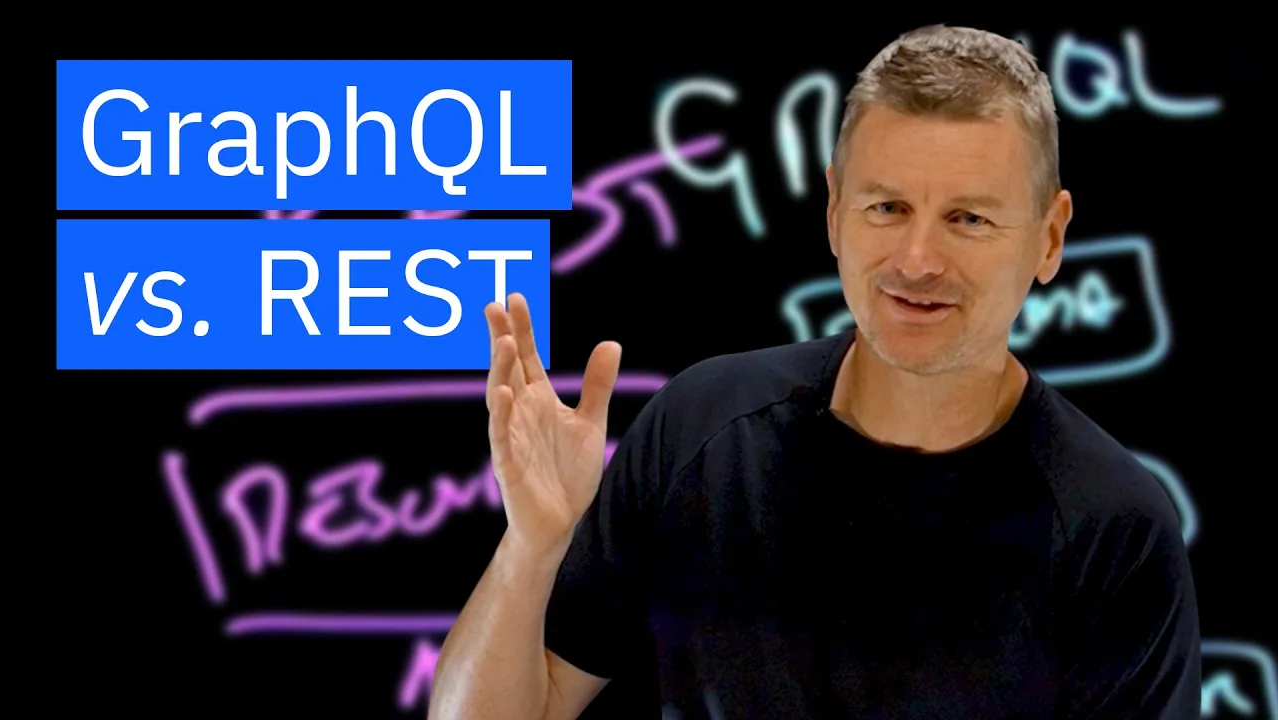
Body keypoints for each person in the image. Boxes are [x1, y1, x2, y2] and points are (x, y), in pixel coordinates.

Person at [428, 24, 1201, 719]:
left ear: (1050, 238)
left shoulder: (1114, 530)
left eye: (968, 218)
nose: (918, 260)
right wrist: (530, 548)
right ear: (834, 210)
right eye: (887, 208)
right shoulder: (700, 432)